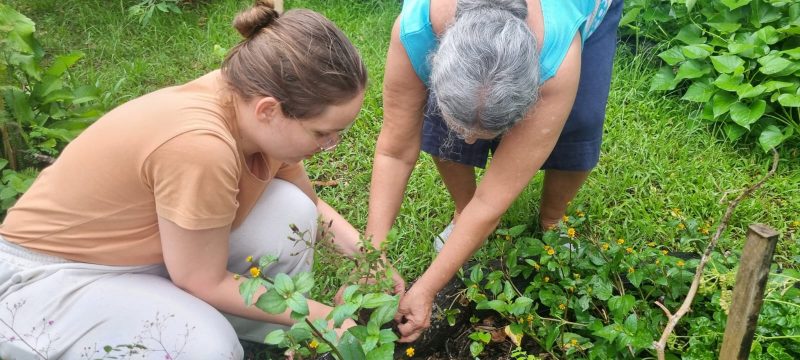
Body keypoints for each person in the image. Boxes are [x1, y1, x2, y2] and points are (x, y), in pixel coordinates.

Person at [0, 1, 369, 358]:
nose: (330, 145)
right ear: (269, 110)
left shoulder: (252, 105)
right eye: (323, 133)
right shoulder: (200, 147)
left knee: (292, 208)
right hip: (46, 280)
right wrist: (327, 317)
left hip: (154, 255)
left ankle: (230, 324)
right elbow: (201, 279)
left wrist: (371, 263)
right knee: (209, 348)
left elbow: (315, 207)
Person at [367, 0, 624, 342]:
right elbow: (395, 152)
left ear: (535, 91)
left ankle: (552, 220)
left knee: (580, 119)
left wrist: (426, 289)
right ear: (435, 61)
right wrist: (370, 254)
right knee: (448, 131)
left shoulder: (556, 59)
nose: (469, 139)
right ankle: (462, 212)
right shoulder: (416, 29)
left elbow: (492, 201)